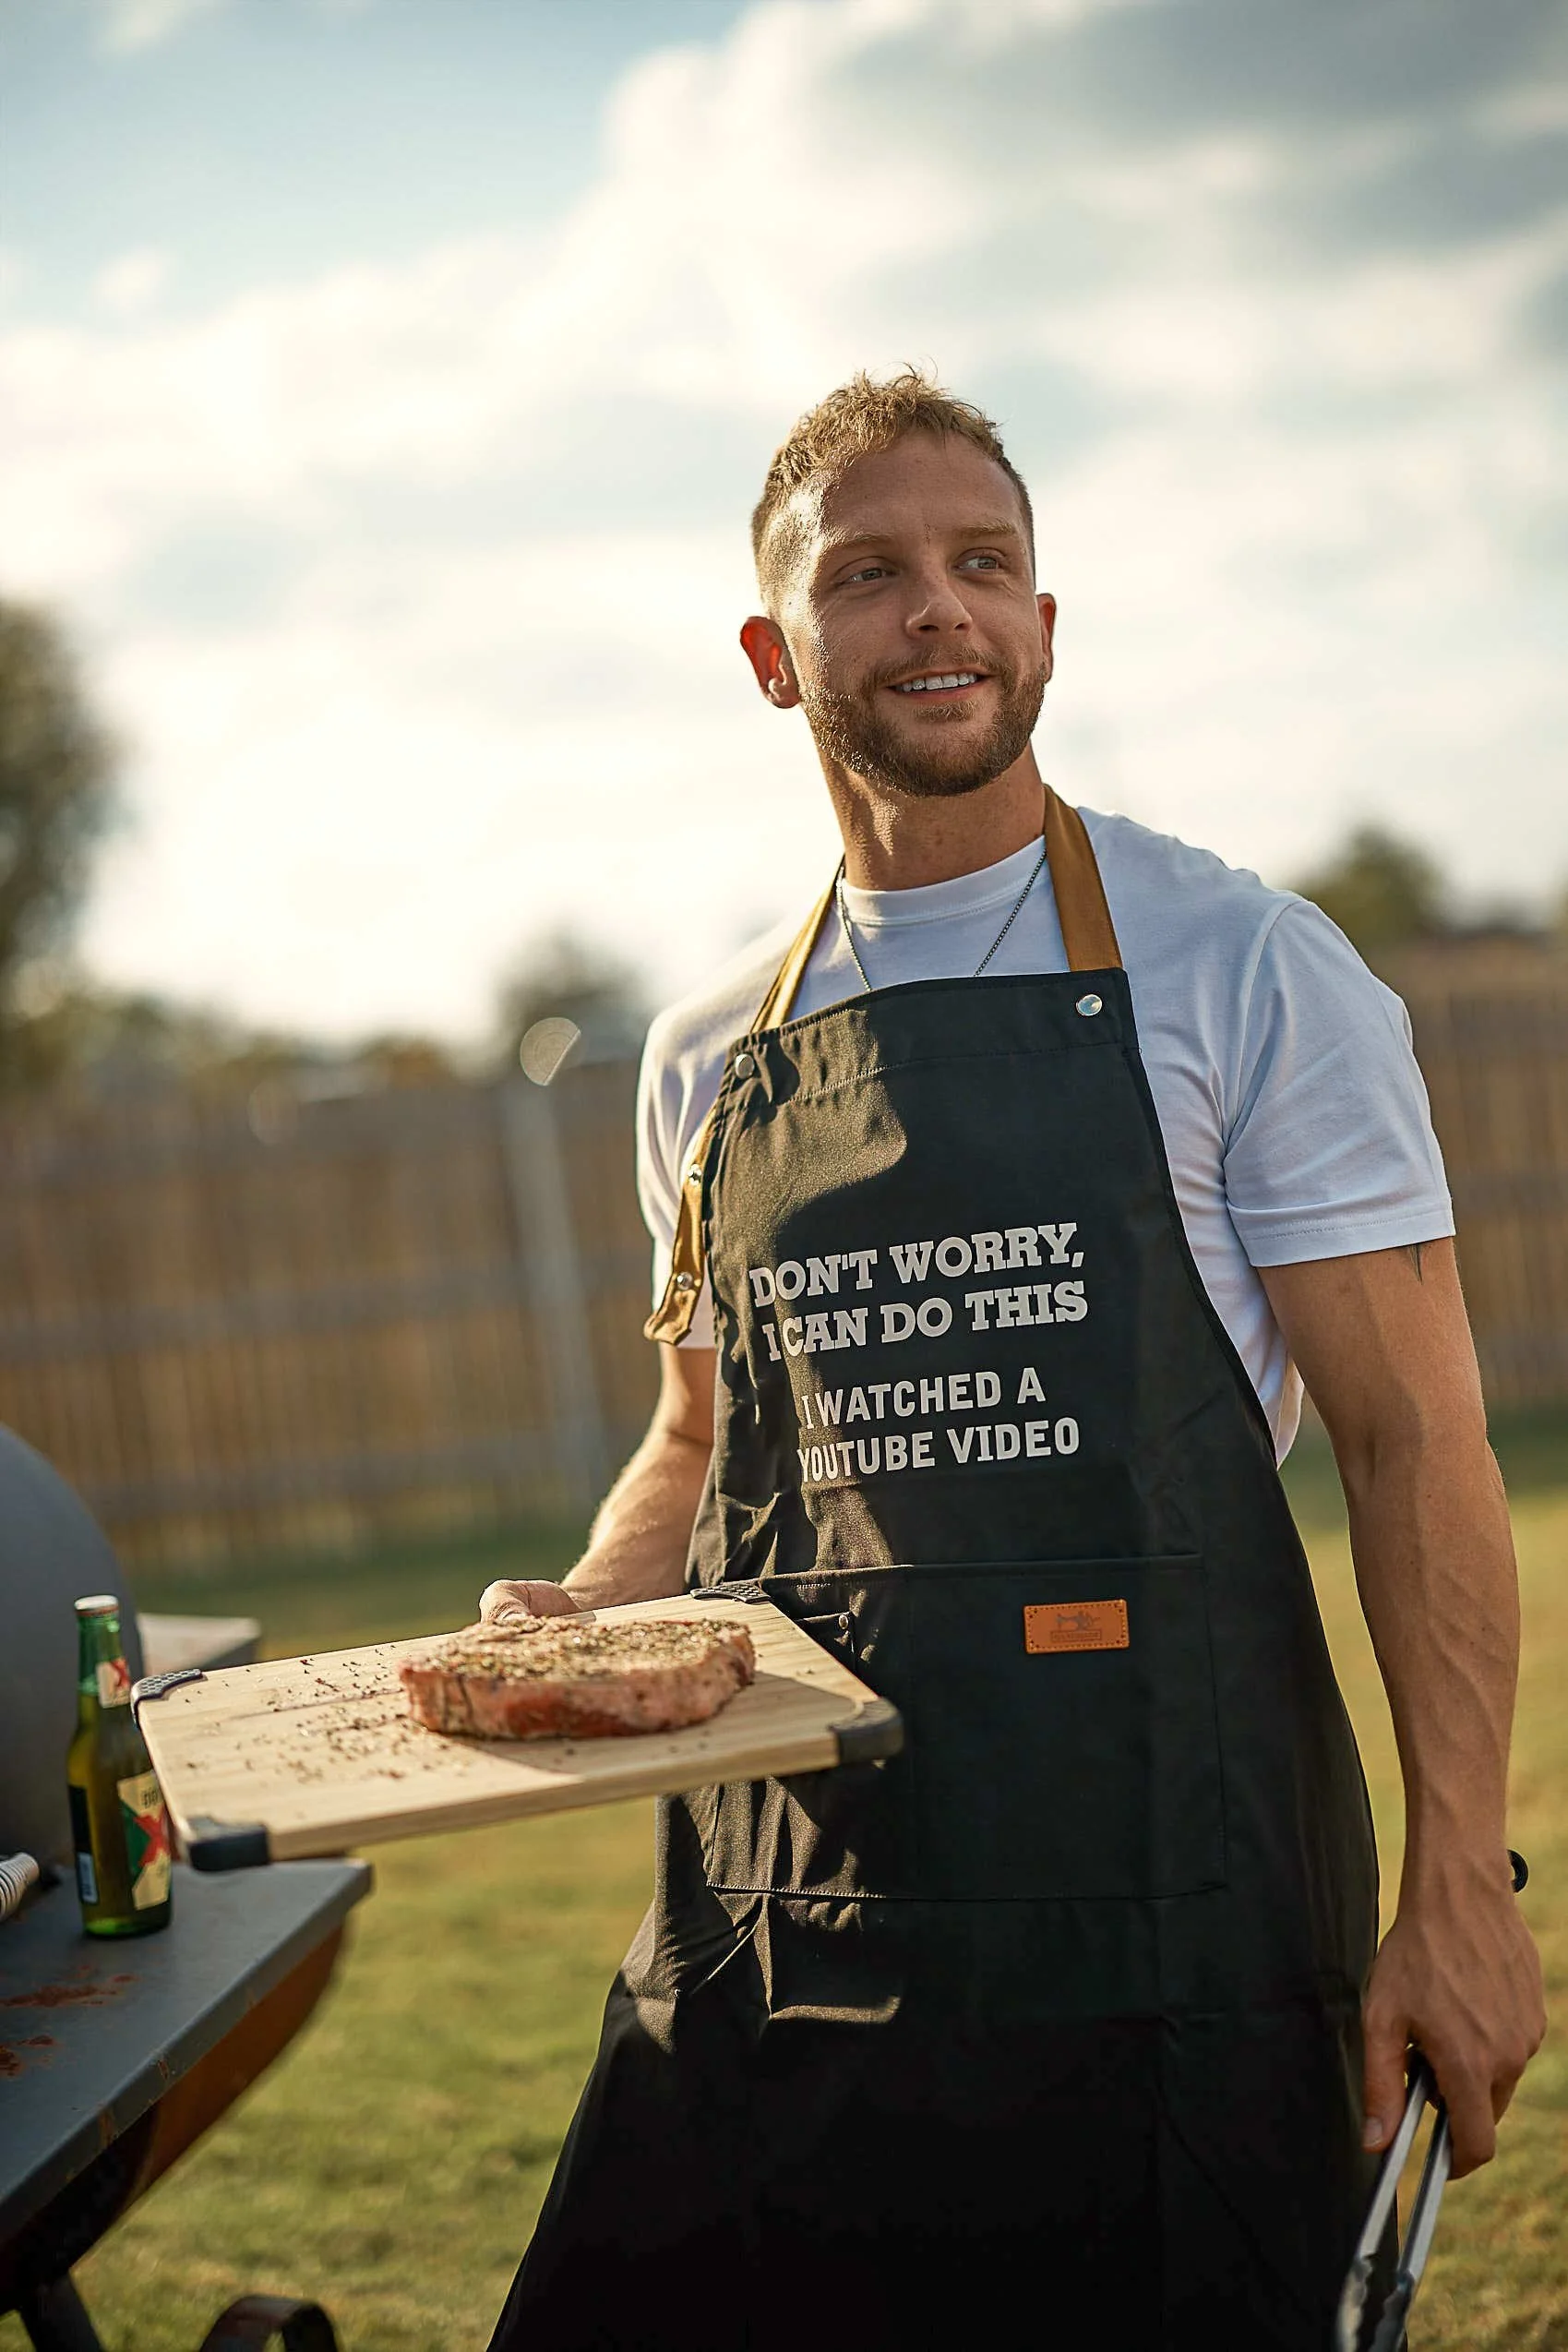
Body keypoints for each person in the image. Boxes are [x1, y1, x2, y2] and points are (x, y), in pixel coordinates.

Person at [483, 371, 1543, 2351]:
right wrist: (592, 1617)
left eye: (985, 565)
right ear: (774, 654)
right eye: (870, 573)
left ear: (1046, 623)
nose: (938, 610)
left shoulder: (1243, 964)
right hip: (790, 1917)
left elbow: (1414, 1441)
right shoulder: (711, 1052)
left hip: (1167, 1921)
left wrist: (1458, 1881)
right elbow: (703, 1430)